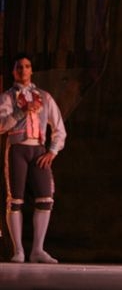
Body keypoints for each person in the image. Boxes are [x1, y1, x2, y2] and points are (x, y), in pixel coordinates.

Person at [0, 53, 67, 263]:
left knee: (46, 198)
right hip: (18, 149)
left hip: (38, 150)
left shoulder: (44, 97)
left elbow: (59, 128)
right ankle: (18, 250)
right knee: (16, 200)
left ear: (31, 70)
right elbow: (1, 125)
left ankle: (38, 249)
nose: (23, 70)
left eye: (27, 66)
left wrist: (52, 151)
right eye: (19, 67)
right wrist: (20, 112)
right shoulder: (7, 97)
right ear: (14, 71)